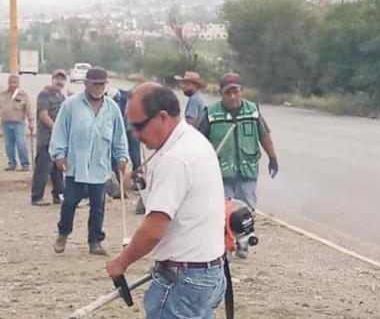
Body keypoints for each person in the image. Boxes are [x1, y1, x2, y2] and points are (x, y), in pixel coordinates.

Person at [105, 83, 226, 318]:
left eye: (139, 126)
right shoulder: (194, 141)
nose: (136, 135)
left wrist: (121, 262)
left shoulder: (175, 159)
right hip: (208, 273)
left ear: (162, 117)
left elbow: (153, 231)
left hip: (184, 281)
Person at [50, 67, 129, 256]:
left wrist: (122, 156)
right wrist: (59, 154)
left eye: (102, 84)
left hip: (99, 165)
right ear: (86, 84)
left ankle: (95, 242)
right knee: (70, 202)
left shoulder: (112, 108)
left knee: (98, 205)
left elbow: (119, 136)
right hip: (76, 165)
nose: (99, 88)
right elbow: (60, 131)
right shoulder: (70, 105)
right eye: (96, 84)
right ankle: (63, 234)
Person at [197, 73, 279, 213]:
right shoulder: (210, 114)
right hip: (221, 175)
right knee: (224, 214)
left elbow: (264, 136)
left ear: (242, 91)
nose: (232, 96)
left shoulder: (252, 111)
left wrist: (272, 158)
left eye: (235, 91)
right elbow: (198, 143)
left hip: (247, 172)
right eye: (228, 93)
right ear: (220, 93)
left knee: (246, 214)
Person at [30, 69, 67, 206]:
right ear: (52, 79)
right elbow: (43, 115)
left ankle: (58, 195)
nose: (60, 81)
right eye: (57, 78)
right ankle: (36, 197)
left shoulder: (61, 97)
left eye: (62, 79)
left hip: (57, 140)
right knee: (42, 168)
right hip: (46, 138)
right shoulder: (44, 95)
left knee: (58, 168)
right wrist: (57, 129)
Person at [0, 75, 34, 171]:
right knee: (9, 145)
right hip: (5, 123)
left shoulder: (23, 96)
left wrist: (31, 122)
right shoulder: (2, 95)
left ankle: (25, 164)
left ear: (18, 84)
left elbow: (28, 110)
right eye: (11, 83)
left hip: (18, 123)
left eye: (15, 83)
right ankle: (11, 163)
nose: (12, 85)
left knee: (21, 143)